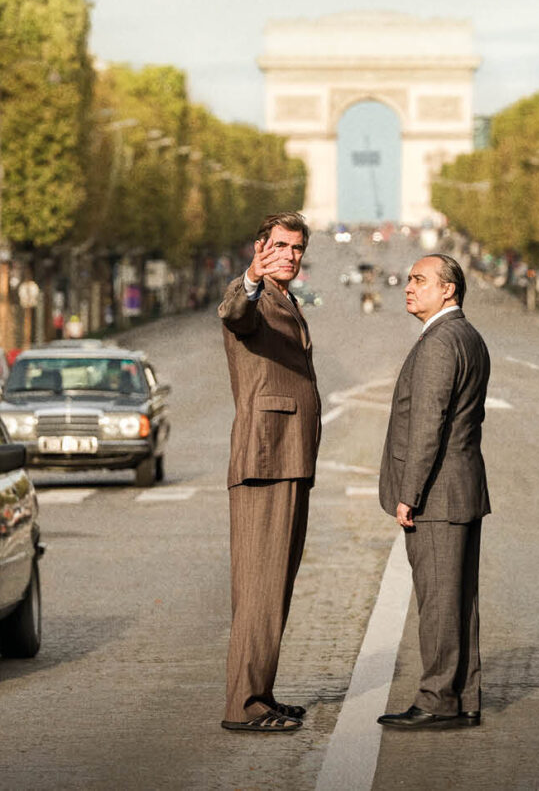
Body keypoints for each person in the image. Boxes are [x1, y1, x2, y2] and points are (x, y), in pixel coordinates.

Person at [214, 211, 320, 733]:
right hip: (266, 458)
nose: (290, 255)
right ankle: (245, 705)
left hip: (287, 457)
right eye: (279, 246)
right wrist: (251, 278)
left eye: (297, 248)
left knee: (272, 585)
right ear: (260, 248)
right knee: (258, 587)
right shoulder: (252, 296)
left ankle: (262, 691)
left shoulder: (287, 299)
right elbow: (234, 313)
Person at [377, 252, 492, 731]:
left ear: (448, 289)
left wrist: (410, 492)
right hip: (461, 488)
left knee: (438, 604)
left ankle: (437, 699)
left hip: (438, 495)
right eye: (408, 280)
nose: (409, 287)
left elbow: (428, 424)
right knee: (459, 602)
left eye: (420, 280)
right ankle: (463, 697)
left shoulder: (439, 343)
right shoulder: (468, 335)